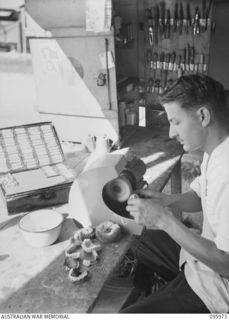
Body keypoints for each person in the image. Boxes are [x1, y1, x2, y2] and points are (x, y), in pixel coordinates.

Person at [121, 74, 229, 313]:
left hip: (216, 288)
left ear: (203, 116)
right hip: (201, 260)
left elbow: (225, 262)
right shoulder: (215, 149)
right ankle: (149, 292)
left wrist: (163, 219)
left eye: (175, 121)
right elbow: (200, 195)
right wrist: (168, 200)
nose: (171, 132)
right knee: (135, 237)